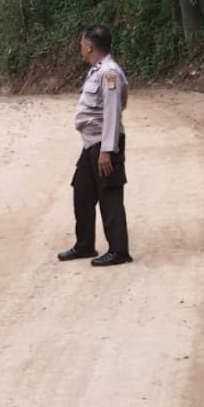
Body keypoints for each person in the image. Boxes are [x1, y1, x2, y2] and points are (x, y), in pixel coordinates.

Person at [60, 25, 130, 268]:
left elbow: (113, 112)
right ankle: (85, 245)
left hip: (103, 144)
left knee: (109, 195)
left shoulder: (109, 72)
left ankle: (119, 250)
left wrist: (107, 151)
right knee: (82, 191)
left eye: (82, 44)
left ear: (89, 46)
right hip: (91, 143)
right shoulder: (97, 71)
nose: (81, 47)